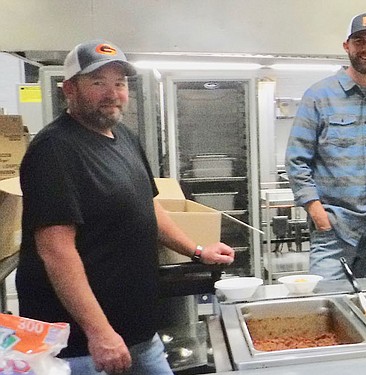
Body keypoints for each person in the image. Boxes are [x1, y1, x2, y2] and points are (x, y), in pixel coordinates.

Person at [16, 40, 235, 374]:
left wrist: (197, 250)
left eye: (119, 83)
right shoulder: (54, 150)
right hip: (82, 348)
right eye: (98, 82)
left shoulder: (125, 138)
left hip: (138, 334)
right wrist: (99, 332)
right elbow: (56, 252)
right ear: (70, 89)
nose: (112, 92)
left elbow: (147, 207)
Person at [285, 13, 366, 280]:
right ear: (347, 46)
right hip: (333, 231)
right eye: (359, 41)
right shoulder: (319, 97)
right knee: (329, 307)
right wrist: (317, 212)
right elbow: (297, 160)